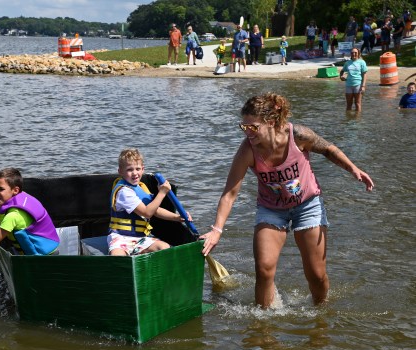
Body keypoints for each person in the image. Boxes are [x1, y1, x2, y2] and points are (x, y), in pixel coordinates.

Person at [200, 93, 374, 309]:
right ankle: (262, 324)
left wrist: (353, 169)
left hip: (308, 205)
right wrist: (217, 229)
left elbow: (328, 149)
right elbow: (230, 193)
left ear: (271, 122)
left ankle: (320, 313)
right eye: (243, 127)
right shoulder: (248, 149)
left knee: (316, 275)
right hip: (271, 209)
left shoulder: (298, 135)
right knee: (264, 269)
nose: (247, 133)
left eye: (252, 127)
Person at [108, 148, 186, 256]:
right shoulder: (124, 192)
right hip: (121, 237)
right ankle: (130, 256)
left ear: (143, 169)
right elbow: (147, 213)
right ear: (120, 172)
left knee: (164, 247)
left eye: (138, 169)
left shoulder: (142, 188)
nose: (135, 173)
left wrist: (177, 217)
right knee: (118, 257)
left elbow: (155, 210)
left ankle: (139, 252)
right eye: (129, 170)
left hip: (141, 238)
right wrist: (162, 193)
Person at [339, 47, 367, 112]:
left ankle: (357, 120)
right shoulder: (348, 63)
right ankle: (348, 119)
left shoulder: (362, 62)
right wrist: (341, 77)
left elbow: (364, 74)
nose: (354, 54)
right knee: (349, 104)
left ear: (358, 54)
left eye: (355, 53)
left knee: (357, 104)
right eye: (352, 53)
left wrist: (363, 86)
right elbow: (342, 71)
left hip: (358, 85)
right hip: (349, 85)